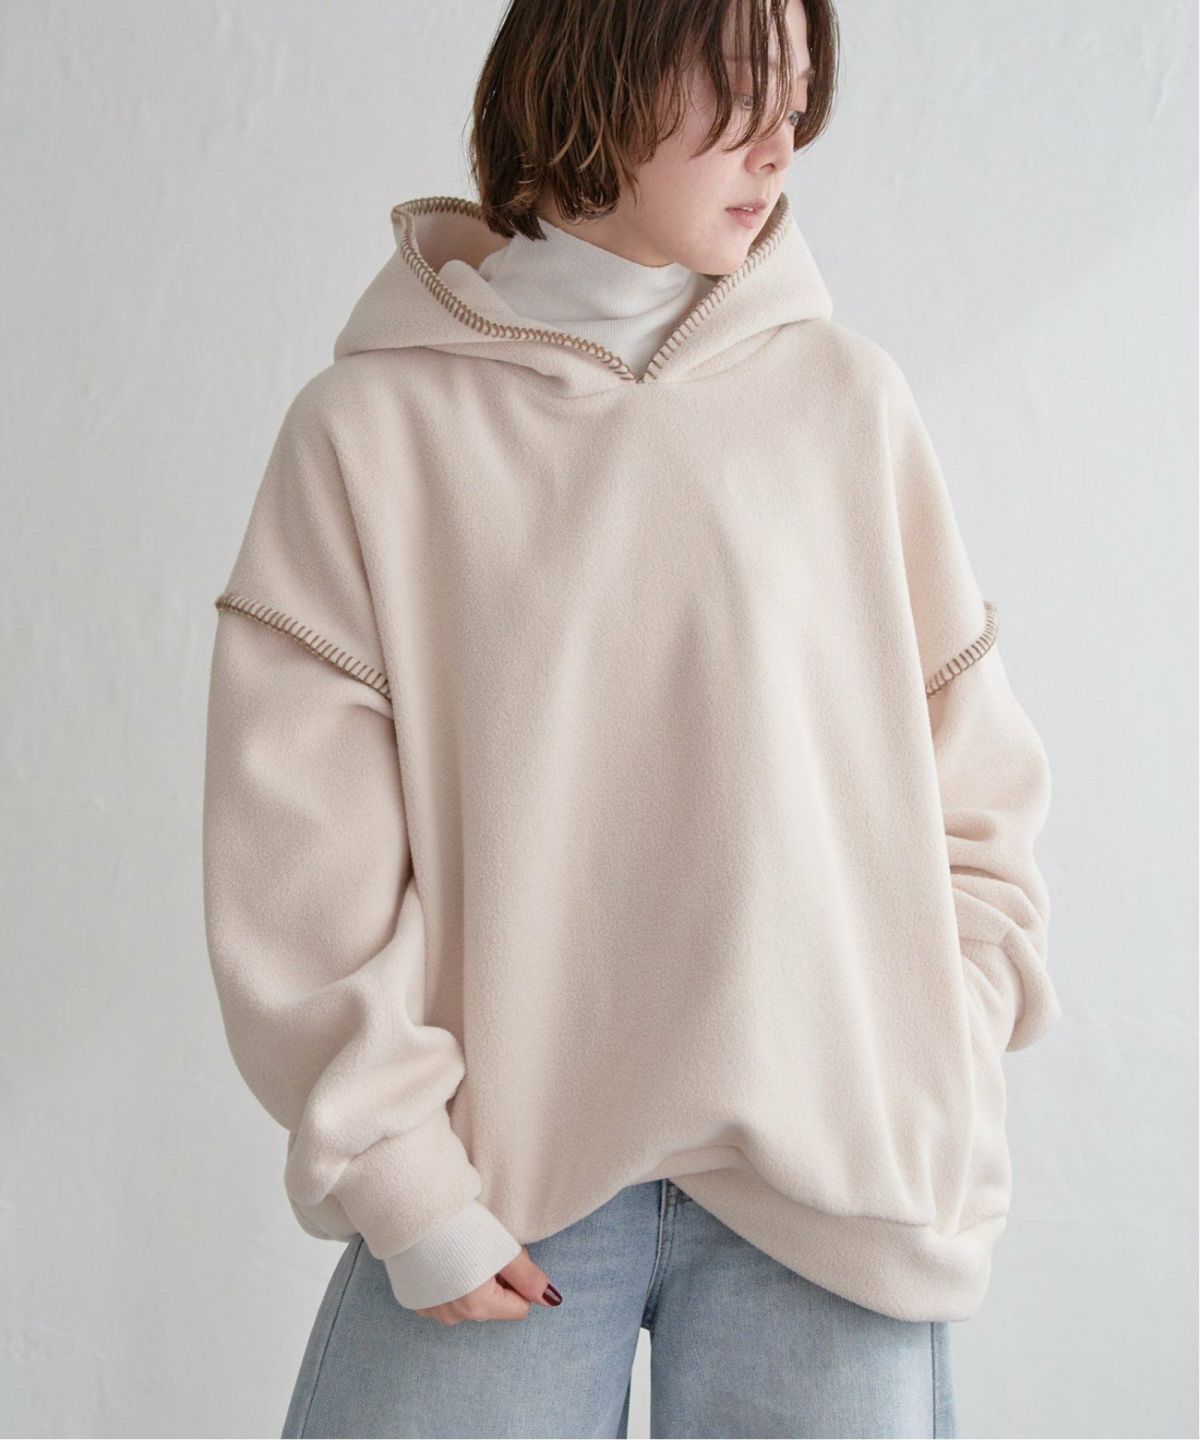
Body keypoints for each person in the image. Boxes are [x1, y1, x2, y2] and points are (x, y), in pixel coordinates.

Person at [201, 0, 1060, 1434]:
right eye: (743, 92)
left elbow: (979, 791)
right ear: (598, 68)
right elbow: (298, 866)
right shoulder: (369, 433)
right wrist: (405, 1182)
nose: (781, 147)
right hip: (504, 1197)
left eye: (800, 101)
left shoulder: (846, 407)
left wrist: (940, 1054)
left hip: (838, 1195)